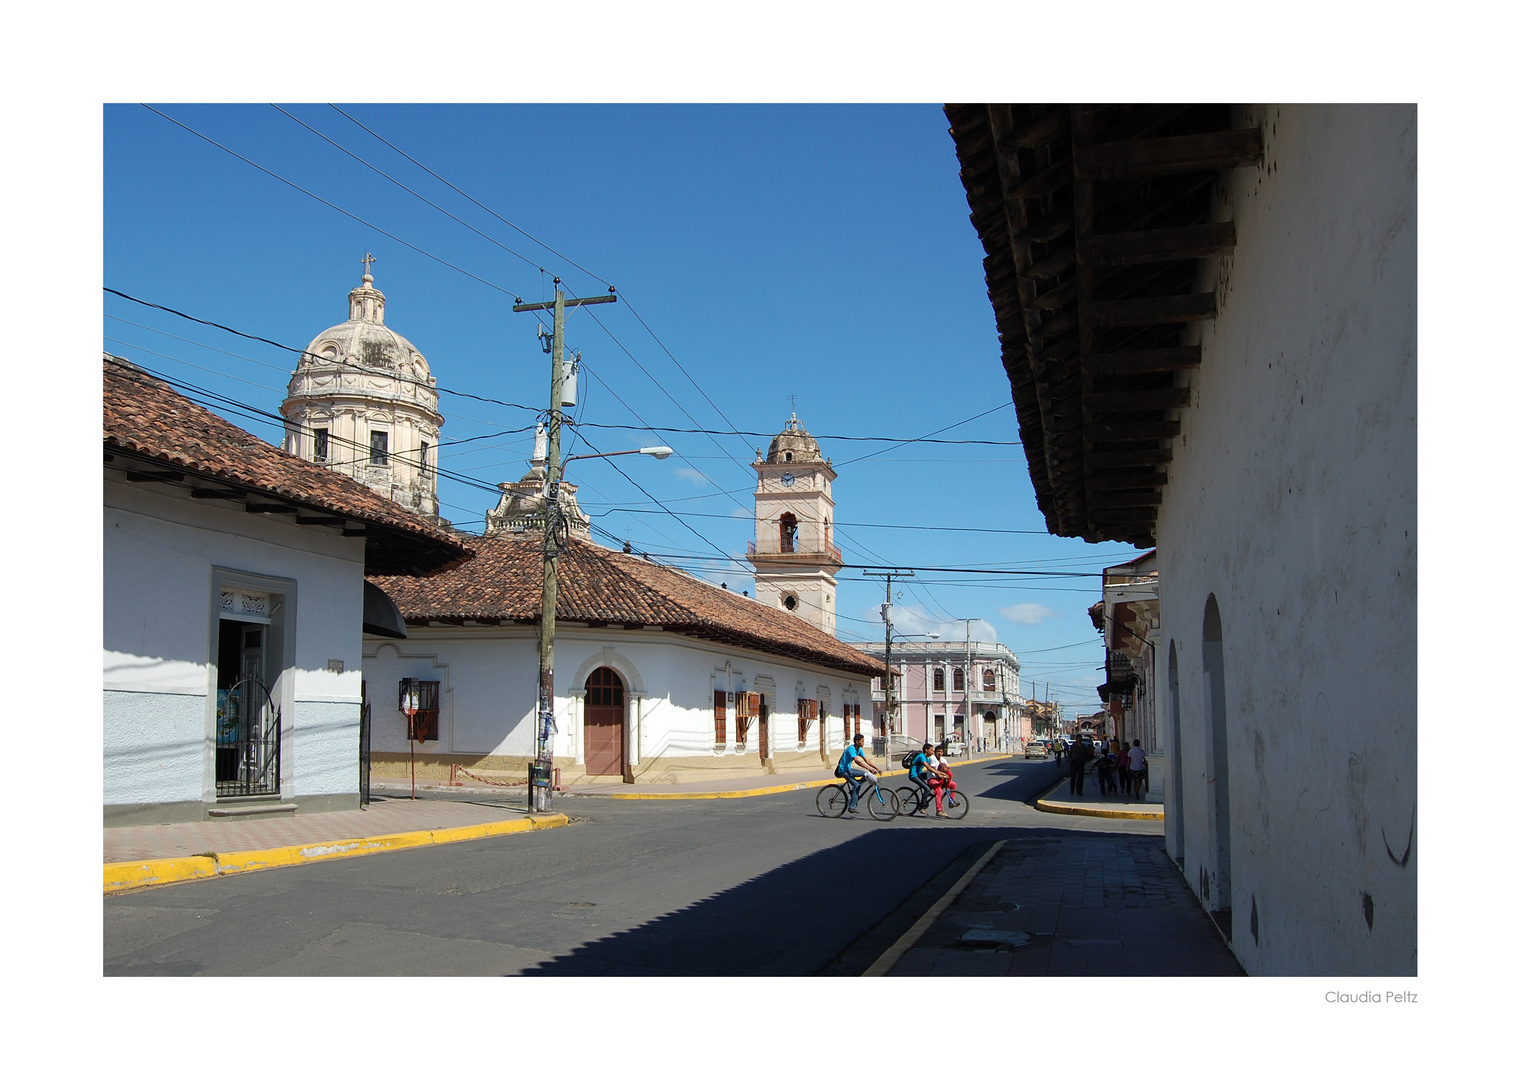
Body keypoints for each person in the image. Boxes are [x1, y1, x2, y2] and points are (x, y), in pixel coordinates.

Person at [835, 733, 880, 813]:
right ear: (857, 741)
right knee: (857, 785)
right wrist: (869, 768)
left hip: (849, 769)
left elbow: (867, 760)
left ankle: (853, 790)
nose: (863, 743)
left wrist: (876, 768)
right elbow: (857, 761)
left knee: (866, 774)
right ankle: (852, 807)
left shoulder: (859, 750)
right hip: (843, 770)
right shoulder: (851, 749)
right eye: (862, 741)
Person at [928, 742, 958, 817]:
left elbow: (948, 769)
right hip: (933, 779)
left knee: (953, 785)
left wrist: (948, 775)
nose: (940, 753)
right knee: (939, 791)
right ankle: (939, 810)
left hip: (941, 778)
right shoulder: (932, 758)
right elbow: (934, 770)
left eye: (941, 752)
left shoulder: (943, 760)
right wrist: (943, 775)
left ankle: (951, 801)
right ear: (935, 752)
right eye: (938, 751)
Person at [907, 742, 937, 816]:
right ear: (926, 750)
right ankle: (922, 807)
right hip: (913, 775)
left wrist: (940, 773)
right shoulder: (921, 756)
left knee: (931, 778)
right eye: (931, 750)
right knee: (927, 789)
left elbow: (933, 767)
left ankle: (926, 794)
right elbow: (928, 767)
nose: (932, 752)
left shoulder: (926, 758)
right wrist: (938, 773)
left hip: (918, 774)